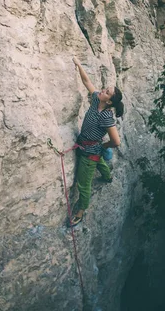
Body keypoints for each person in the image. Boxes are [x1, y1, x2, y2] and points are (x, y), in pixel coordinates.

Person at [70, 56, 124, 227]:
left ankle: (80, 211)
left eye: (106, 92)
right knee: (100, 160)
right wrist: (79, 64)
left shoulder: (106, 116)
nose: (102, 91)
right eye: (105, 89)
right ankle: (107, 177)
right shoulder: (96, 100)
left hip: (89, 152)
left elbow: (116, 141)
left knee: (83, 184)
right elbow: (87, 82)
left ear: (108, 101)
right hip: (91, 147)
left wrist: (103, 145)